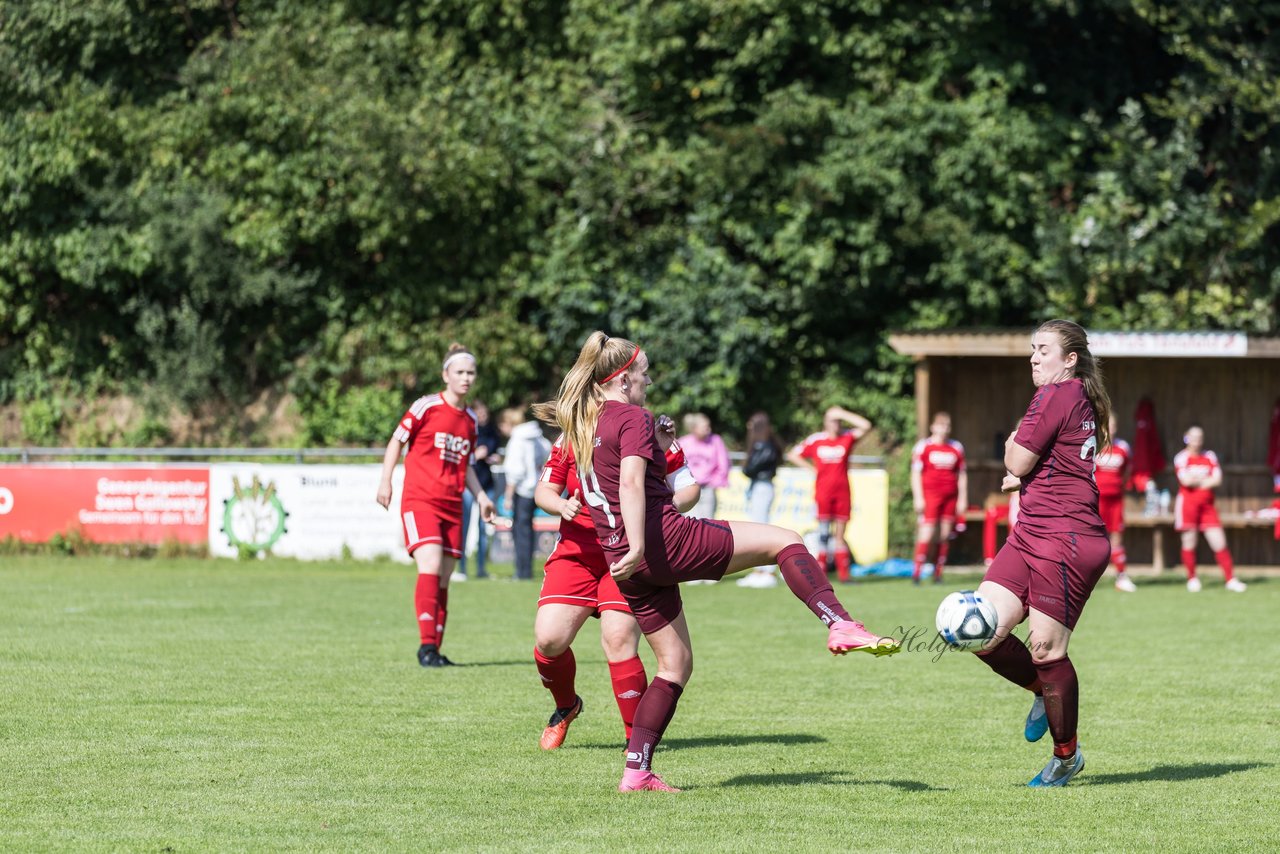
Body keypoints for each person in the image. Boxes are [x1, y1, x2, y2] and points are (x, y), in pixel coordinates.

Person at [548, 332, 899, 793]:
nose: (649, 381)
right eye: (644, 372)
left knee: (675, 665)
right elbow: (631, 485)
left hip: (623, 560)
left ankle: (636, 772)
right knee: (786, 540)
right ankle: (840, 622)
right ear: (623, 377)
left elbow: (626, 479)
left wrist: (631, 542)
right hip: (660, 542)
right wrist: (639, 543)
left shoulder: (586, 423)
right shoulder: (632, 415)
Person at [971, 319, 1112, 787]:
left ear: (1070, 360)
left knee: (1048, 649)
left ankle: (1066, 756)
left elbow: (1015, 458)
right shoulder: (1071, 395)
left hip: (1066, 540)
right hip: (1032, 531)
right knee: (979, 630)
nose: (1034, 357)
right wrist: (1028, 474)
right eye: (1032, 348)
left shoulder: (1058, 393)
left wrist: (1017, 455)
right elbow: (1052, 461)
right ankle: (1039, 691)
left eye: (1044, 350)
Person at [529, 411, 700, 750]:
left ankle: (634, 738)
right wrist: (561, 505)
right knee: (549, 640)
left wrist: (663, 507)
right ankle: (566, 705)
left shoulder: (648, 431)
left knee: (619, 637)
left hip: (624, 553)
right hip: (576, 556)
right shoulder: (573, 435)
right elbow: (544, 491)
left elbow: (689, 488)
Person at [377, 343, 496, 668]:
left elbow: (468, 464)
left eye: (471, 372)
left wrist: (483, 497)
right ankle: (426, 647)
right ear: (446, 375)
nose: (466, 378)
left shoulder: (470, 419)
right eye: (459, 372)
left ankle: (435, 649)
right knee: (429, 564)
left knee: (444, 577)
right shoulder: (426, 406)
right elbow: (397, 440)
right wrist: (386, 480)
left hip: (452, 504)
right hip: (421, 500)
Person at [786, 406, 872, 583]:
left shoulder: (846, 437)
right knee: (823, 534)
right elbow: (793, 454)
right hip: (823, 493)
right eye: (832, 420)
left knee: (840, 535)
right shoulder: (817, 440)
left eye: (838, 421)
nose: (836, 424)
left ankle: (844, 575)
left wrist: (843, 413)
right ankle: (821, 574)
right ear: (825, 422)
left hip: (843, 493)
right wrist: (812, 469)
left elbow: (866, 425)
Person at [1174, 427, 1247, 593]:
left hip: (1208, 506)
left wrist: (1198, 480)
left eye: (1200, 437)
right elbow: (1185, 481)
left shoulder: (1209, 456)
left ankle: (1230, 579)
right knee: (1189, 542)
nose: (1197, 440)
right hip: (1188, 505)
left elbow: (1217, 480)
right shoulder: (1181, 457)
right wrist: (1205, 479)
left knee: (1219, 542)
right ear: (1186, 438)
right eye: (1193, 437)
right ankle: (1192, 578)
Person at [909, 412, 968, 584]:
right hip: (930, 496)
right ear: (933, 427)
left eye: (947, 426)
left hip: (950, 497)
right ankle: (917, 573)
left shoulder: (956, 447)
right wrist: (918, 497)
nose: (944, 429)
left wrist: (962, 498)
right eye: (941, 425)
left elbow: (962, 474)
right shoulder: (923, 446)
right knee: (926, 533)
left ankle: (938, 574)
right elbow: (915, 473)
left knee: (944, 535)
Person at [500, 406, 552, 581]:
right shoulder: (537, 437)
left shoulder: (517, 440)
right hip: (535, 488)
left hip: (522, 490)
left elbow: (515, 470)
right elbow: (548, 452)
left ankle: (521, 571)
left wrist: (508, 495)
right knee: (528, 530)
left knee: (520, 531)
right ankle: (526, 569)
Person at [737, 411, 783, 589]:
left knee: (761, 528)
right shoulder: (767, 444)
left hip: (762, 486)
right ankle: (759, 571)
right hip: (761, 486)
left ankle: (766, 571)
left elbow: (749, 469)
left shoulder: (764, 446)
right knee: (759, 526)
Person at [456, 400, 500, 581]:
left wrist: (491, 456)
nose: (482, 418)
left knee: (484, 529)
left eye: (485, 415)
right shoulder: (465, 430)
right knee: (464, 528)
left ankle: (481, 568)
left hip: (486, 485)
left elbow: (493, 449)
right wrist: (475, 454)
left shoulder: (491, 432)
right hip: (468, 487)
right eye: (479, 415)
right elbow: (463, 455)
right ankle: (461, 569)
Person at [1093, 414, 1136, 592]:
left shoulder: (1123, 447)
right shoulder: (1095, 445)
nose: (1111, 428)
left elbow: (1128, 471)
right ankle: (1088, 578)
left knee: (1116, 536)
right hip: (1097, 499)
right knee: (1093, 537)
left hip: (1116, 500)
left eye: (1114, 425)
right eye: (1108, 425)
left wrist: (1119, 485)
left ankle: (1121, 576)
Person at [678, 413, 729, 519]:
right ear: (694, 428)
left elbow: (724, 464)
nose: (708, 430)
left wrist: (714, 482)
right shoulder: (684, 442)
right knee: (690, 523)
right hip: (688, 488)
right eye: (705, 427)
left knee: (707, 523)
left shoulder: (715, 441)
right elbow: (675, 464)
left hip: (707, 489)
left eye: (708, 426)